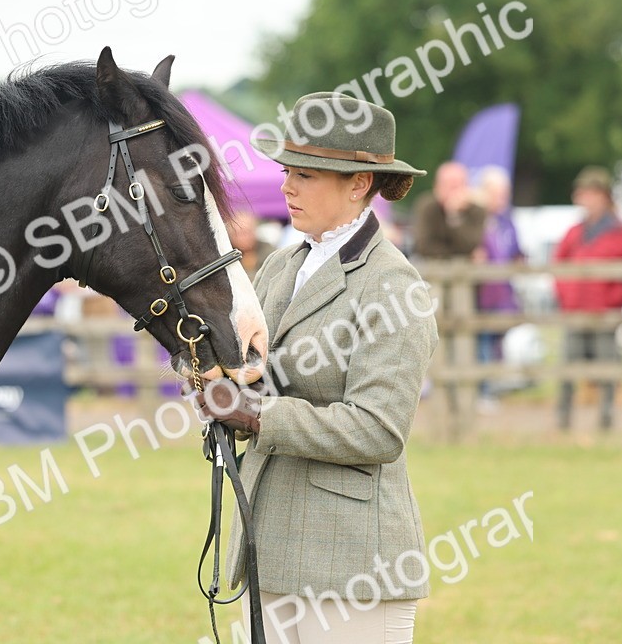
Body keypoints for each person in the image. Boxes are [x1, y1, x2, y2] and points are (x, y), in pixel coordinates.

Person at [197, 92, 436, 643]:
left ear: (358, 185)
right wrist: (219, 384)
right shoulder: (283, 263)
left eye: (306, 174)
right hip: (270, 539)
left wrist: (258, 416)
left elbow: (378, 429)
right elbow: (259, 371)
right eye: (287, 171)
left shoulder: (392, 284)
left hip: (355, 560)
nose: (286, 186)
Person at [553, 167, 622, 431]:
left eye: (591, 193)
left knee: (607, 370)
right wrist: (567, 296)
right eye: (582, 194)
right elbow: (558, 266)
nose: (585, 199)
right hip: (575, 311)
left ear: (604, 196)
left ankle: (606, 421)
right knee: (567, 369)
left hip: (604, 312)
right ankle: (562, 421)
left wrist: (613, 299)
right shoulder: (574, 232)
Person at [474, 167, 524, 412]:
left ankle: (492, 388)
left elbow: (515, 249)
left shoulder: (506, 220)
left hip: (503, 292)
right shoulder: (476, 218)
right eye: (497, 193)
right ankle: (482, 391)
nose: (502, 198)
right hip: (482, 293)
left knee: (495, 342)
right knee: (481, 341)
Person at [411, 161, 487, 260]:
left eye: (458, 186)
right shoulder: (427, 206)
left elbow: (471, 244)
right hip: (430, 269)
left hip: (466, 271)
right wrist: (460, 255)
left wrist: (453, 215)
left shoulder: (477, 210)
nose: (454, 192)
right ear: (437, 186)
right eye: (449, 186)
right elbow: (423, 246)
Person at [226, 210, 277, 281]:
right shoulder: (227, 255)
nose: (244, 237)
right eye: (239, 233)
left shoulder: (268, 250)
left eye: (247, 232)